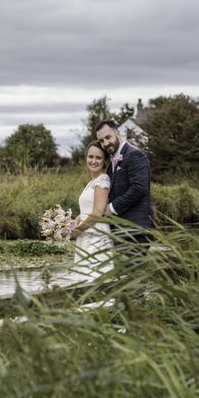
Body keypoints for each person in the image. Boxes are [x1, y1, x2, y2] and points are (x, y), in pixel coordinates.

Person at [95, 119, 153, 255]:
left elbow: (139, 188)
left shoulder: (134, 155)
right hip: (119, 231)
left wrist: (112, 207)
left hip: (135, 230)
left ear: (117, 133)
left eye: (108, 137)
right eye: (101, 141)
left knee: (133, 274)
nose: (105, 143)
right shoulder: (111, 163)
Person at [70, 141, 114, 279]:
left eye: (98, 158)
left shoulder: (103, 180)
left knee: (94, 275)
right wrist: (72, 223)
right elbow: (86, 210)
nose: (93, 161)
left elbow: (97, 212)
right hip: (86, 233)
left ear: (105, 160)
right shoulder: (92, 182)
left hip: (96, 235)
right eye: (90, 157)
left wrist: (78, 230)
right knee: (83, 276)